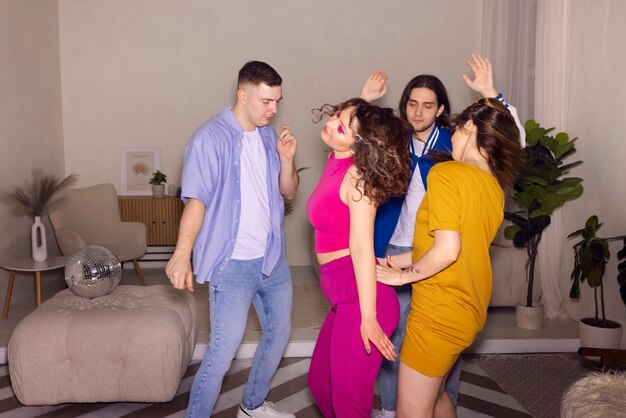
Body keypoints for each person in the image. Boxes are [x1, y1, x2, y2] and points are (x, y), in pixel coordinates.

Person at [360, 54, 525, 418]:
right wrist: (393, 261)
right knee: (438, 398)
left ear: (466, 130)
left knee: (412, 411)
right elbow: (448, 245)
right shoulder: (494, 186)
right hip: (469, 311)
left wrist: (404, 275)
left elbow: (447, 250)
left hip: (438, 312)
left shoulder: (448, 174)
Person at [166, 61, 300, 418]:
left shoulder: (269, 136)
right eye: (266, 101)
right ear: (243, 95)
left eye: (277, 101)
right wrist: (182, 254)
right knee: (223, 351)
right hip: (233, 266)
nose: (273, 109)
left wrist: (287, 162)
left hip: (272, 260)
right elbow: (197, 201)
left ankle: (252, 405)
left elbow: (287, 193)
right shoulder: (209, 138)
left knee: (279, 333)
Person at [306, 98, 412, 417]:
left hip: (364, 302)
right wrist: (360, 102)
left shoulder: (357, 179)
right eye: (338, 115)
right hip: (343, 298)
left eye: (341, 125)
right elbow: (356, 122)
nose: (332, 121)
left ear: (360, 145)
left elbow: (363, 247)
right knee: (320, 386)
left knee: (349, 403)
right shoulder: (336, 159)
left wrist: (369, 318)